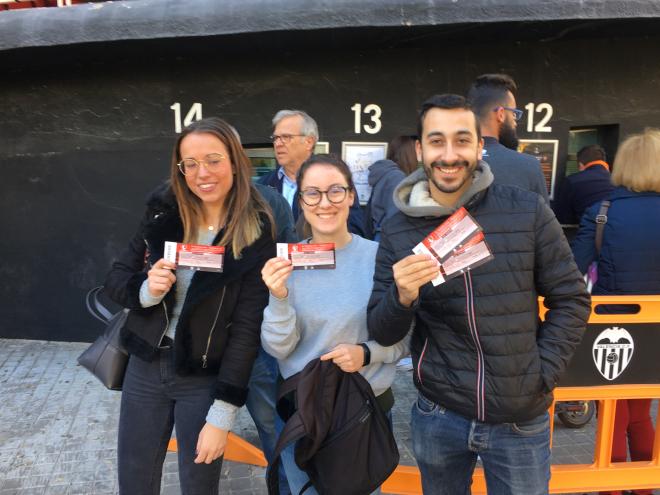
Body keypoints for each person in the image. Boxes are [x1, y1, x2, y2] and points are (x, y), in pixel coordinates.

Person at [367, 94, 591, 495]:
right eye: (437, 141)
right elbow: (382, 330)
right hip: (438, 414)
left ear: (479, 145)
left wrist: (541, 375)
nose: (449, 155)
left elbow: (571, 298)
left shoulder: (526, 210)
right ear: (420, 149)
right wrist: (401, 296)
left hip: (519, 417)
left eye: (461, 140)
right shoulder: (398, 229)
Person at [104, 117, 275, 494]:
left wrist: (223, 413)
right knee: (134, 482)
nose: (202, 173)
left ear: (234, 161)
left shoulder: (255, 231)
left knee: (199, 484)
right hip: (145, 366)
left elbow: (246, 331)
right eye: (190, 164)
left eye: (213, 160)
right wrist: (147, 290)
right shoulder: (163, 212)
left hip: (203, 376)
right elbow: (116, 281)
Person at [260, 153, 409, 495]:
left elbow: (404, 337)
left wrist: (366, 353)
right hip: (303, 412)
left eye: (335, 191)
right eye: (312, 193)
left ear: (351, 196)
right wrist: (278, 295)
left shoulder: (379, 258)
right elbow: (278, 347)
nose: (324, 203)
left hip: (362, 413)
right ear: (301, 200)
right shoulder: (287, 263)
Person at [572, 128, 660, 495]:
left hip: (612, 330)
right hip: (656, 331)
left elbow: (573, 268)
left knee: (612, 413)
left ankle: (609, 487)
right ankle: (642, 487)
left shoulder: (601, 213)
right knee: (641, 413)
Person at [258, 109, 365, 235]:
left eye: (286, 137)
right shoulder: (263, 184)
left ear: (309, 141)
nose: (278, 143)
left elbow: (354, 229)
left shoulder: (334, 179)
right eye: (276, 138)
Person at [467, 73, 549, 203]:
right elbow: (544, 221)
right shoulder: (529, 166)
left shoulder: (449, 165)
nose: (515, 121)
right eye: (514, 113)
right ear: (500, 114)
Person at [366, 135, 418, 240]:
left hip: (381, 234)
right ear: (409, 153)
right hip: (389, 237)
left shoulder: (387, 173)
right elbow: (396, 217)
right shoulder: (396, 177)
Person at [554, 144, 614, 224]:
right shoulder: (618, 181)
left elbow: (563, 217)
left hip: (588, 231)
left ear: (580, 165)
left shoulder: (572, 181)